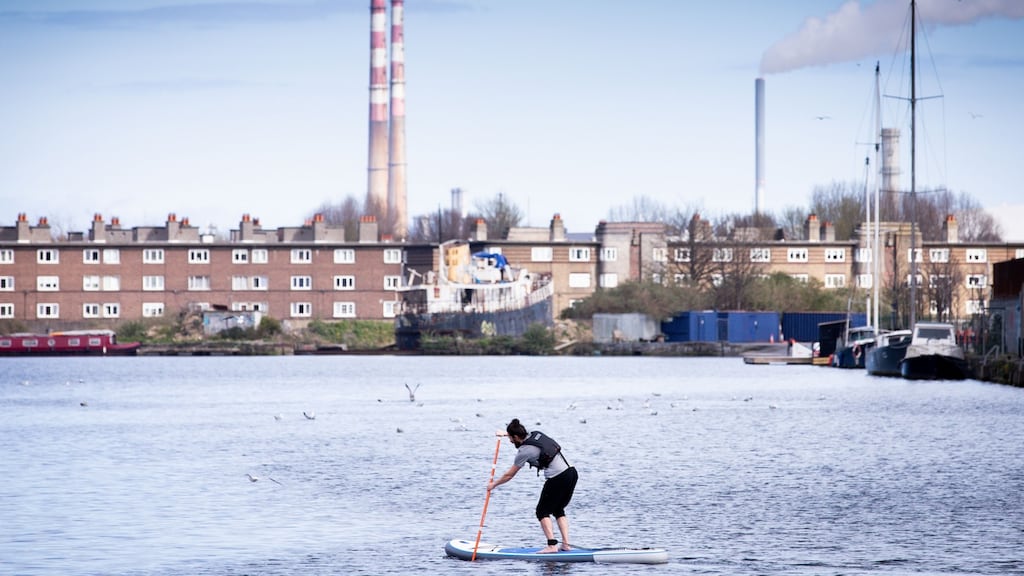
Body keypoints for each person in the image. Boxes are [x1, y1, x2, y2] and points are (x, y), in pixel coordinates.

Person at [487, 418, 579, 554]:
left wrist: (493, 484)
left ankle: (552, 545)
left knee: (542, 511)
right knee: (558, 509)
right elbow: (520, 434)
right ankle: (565, 545)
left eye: (511, 439)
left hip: (557, 477)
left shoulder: (523, 452)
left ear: (516, 437)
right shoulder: (534, 433)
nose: (511, 442)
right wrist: (504, 433)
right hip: (571, 472)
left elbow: (509, 475)